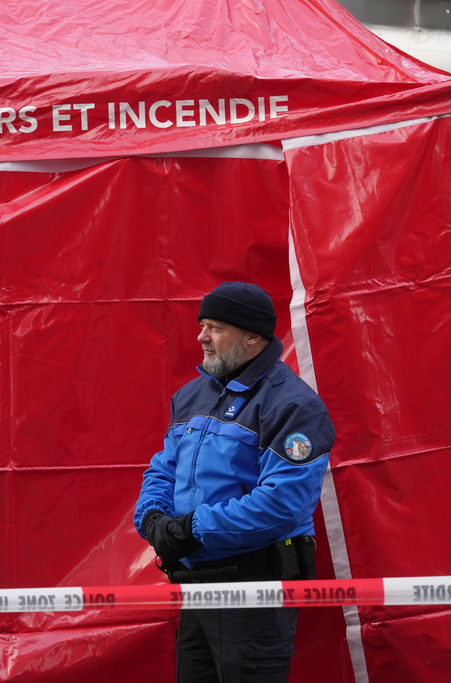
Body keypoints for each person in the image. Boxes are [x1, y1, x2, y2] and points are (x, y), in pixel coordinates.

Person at [134, 281, 335, 682]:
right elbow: (163, 468)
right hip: (199, 585)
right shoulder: (192, 395)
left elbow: (281, 504)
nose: (201, 337)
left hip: (255, 591)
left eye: (215, 327)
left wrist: (192, 528)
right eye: (203, 324)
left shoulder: (293, 405)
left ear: (253, 336)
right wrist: (153, 519)